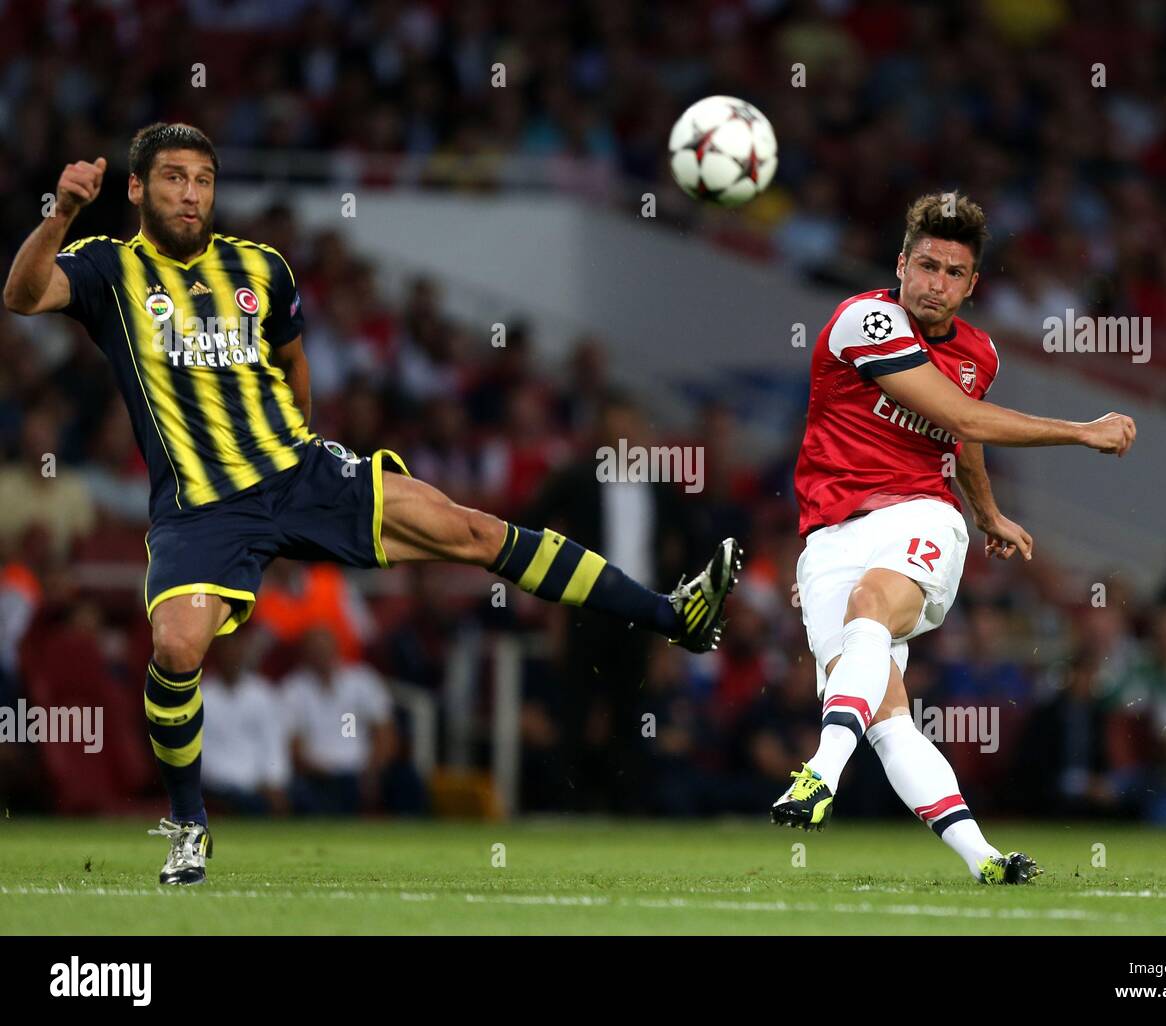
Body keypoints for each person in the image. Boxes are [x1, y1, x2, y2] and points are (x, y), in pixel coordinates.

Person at [3, 122, 741, 885]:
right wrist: (60, 212)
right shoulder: (107, 269)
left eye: (202, 180)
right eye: (172, 179)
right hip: (201, 508)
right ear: (136, 189)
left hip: (299, 474)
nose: (191, 195)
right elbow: (22, 296)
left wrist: (300, 445)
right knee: (177, 649)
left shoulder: (262, 268)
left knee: (474, 530)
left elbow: (291, 360)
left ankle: (672, 613)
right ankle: (189, 824)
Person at [771, 192, 1136, 885]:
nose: (935, 284)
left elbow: (958, 436)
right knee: (887, 719)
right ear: (901, 265)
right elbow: (958, 414)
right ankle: (986, 860)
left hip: (921, 514)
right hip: (828, 535)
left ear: (972, 285)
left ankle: (821, 768)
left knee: (872, 607)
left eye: (952, 273)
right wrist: (1081, 430)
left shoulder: (980, 352)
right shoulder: (864, 319)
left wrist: (986, 513)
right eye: (926, 266)